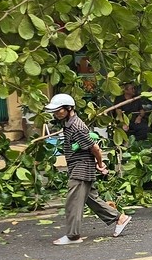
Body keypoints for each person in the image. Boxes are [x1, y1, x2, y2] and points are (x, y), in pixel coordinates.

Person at [46, 94, 131, 245]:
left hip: (81, 168)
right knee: (91, 200)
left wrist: (100, 164)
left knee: (73, 202)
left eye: (58, 110)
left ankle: (73, 236)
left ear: (69, 108)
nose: (55, 113)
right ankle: (119, 218)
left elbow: (95, 148)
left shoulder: (77, 127)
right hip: (77, 166)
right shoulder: (68, 123)